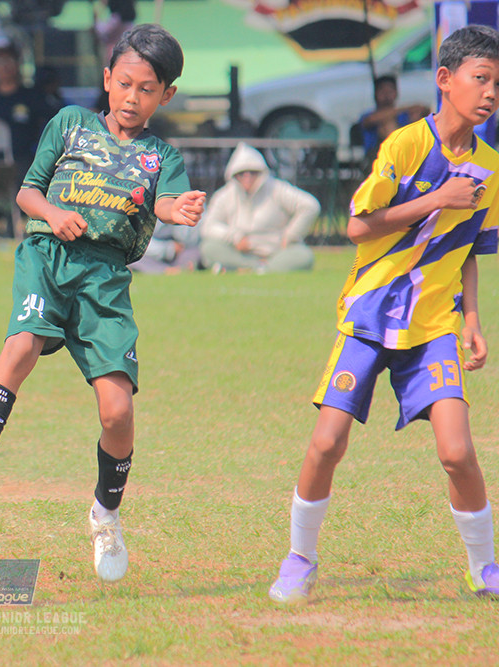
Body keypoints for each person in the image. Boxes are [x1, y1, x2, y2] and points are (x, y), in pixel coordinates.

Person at [0, 24, 206, 582]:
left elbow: (163, 202)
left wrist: (176, 210)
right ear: (108, 79)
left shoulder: (162, 156)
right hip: (48, 254)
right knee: (20, 347)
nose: (133, 98)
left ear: (167, 95)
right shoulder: (70, 124)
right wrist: (51, 214)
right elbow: (27, 190)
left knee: (117, 412)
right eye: (126, 84)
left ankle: (105, 514)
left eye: (148, 89)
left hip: (106, 279)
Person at [268, 25, 499, 605]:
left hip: (434, 327)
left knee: (456, 451)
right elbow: (355, 227)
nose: (491, 92)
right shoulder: (404, 146)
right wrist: (436, 198)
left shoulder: (492, 166)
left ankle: (484, 567)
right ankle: (299, 558)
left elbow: (469, 250)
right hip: (371, 315)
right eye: (482, 78)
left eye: (497, 82)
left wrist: (472, 319)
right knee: (327, 443)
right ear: (445, 81)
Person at [0, 46, 55, 237]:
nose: (5, 67)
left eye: (10, 62)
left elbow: (51, 123)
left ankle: (17, 220)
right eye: (0, 63)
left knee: (29, 177)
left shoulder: (31, 96)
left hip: (22, 158)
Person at [199, 142, 319, 273]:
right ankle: (252, 267)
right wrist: (235, 237)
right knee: (209, 247)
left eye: (253, 172)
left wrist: (291, 235)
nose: (247, 177)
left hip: (276, 251)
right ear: (234, 175)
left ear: (261, 172)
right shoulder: (224, 195)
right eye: (242, 173)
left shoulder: (277, 189)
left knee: (304, 256)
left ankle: (256, 268)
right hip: (240, 251)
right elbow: (208, 226)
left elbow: (310, 206)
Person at [357, 74, 431, 159]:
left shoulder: (403, 115)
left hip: (403, 155)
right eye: (383, 92)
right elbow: (371, 120)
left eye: (390, 91)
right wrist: (407, 107)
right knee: (388, 123)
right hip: (375, 158)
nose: (386, 95)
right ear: (375, 94)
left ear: (396, 93)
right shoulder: (368, 115)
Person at [128, 219, 201, 273]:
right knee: (136, 258)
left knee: (194, 252)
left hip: (180, 250)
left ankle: (183, 268)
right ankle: (167, 270)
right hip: (154, 251)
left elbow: (191, 239)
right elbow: (139, 241)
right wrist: (169, 248)